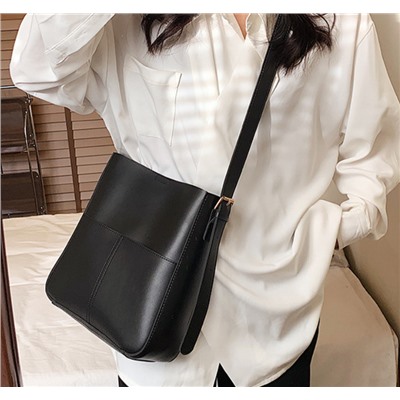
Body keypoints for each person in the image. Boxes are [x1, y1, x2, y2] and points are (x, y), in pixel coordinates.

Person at [10, 13, 400, 387]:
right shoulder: (124, 20)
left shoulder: (341, 21)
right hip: (148, 318)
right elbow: (36, 71)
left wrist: (328, 237)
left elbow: (374, 153)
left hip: (275, 323)